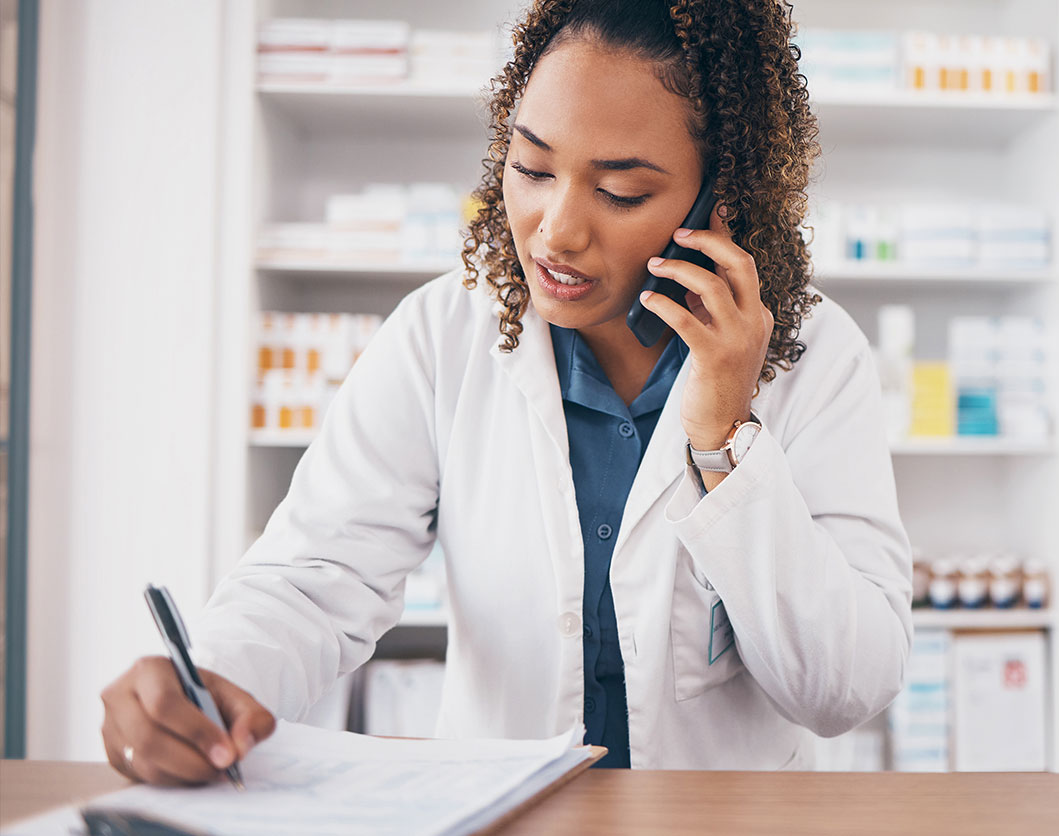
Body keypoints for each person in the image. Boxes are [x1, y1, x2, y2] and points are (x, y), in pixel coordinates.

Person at [100, 0, 912, 784]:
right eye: (531, 168)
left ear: (719, 200)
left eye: (620, 192)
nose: (556, 230)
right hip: (500, 815)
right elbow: (315, 578)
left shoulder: (817, 358)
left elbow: (844, 689)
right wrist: (207, 679)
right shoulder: (441, 337)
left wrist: (727, 438)